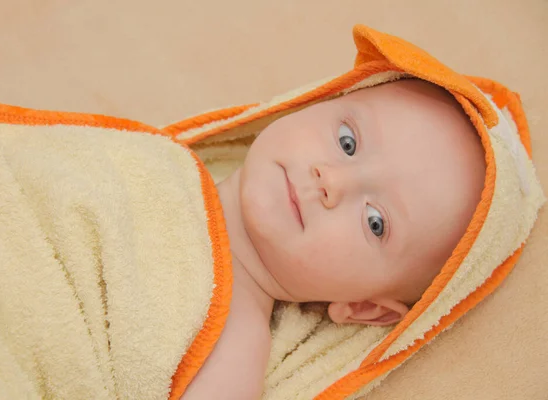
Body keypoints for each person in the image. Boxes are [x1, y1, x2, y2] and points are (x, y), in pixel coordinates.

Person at [181, 79, 486, 399]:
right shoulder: (161, 161)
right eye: (347, 142)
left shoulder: (231, 348)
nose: (332, 180)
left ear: (364, 306)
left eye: (375, 222)